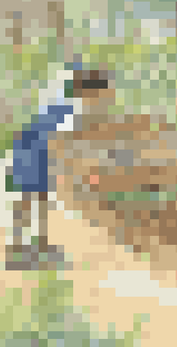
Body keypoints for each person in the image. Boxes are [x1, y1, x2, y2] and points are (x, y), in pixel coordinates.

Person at [8, 66, 114, 268]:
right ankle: (20, 248)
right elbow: (61, 140)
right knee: (29, 197)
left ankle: (34, 245)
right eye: (100, 92)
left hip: (34, 148)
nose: (101, 97)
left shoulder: (66, 101)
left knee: (37, 197)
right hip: (34, 149)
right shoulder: (69, 106)